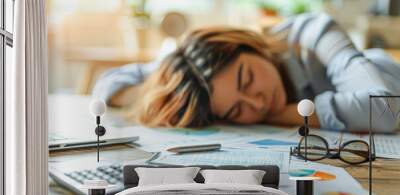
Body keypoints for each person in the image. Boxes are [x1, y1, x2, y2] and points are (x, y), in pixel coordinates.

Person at [93, 13, 400, 132]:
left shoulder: (313, 34)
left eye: (248, 79)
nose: (257, 103)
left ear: (250, 46)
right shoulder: (196, 72)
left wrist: (281, 114)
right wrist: (163, 94)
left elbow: (383, 108)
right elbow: (109, 84)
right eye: (236, 109)